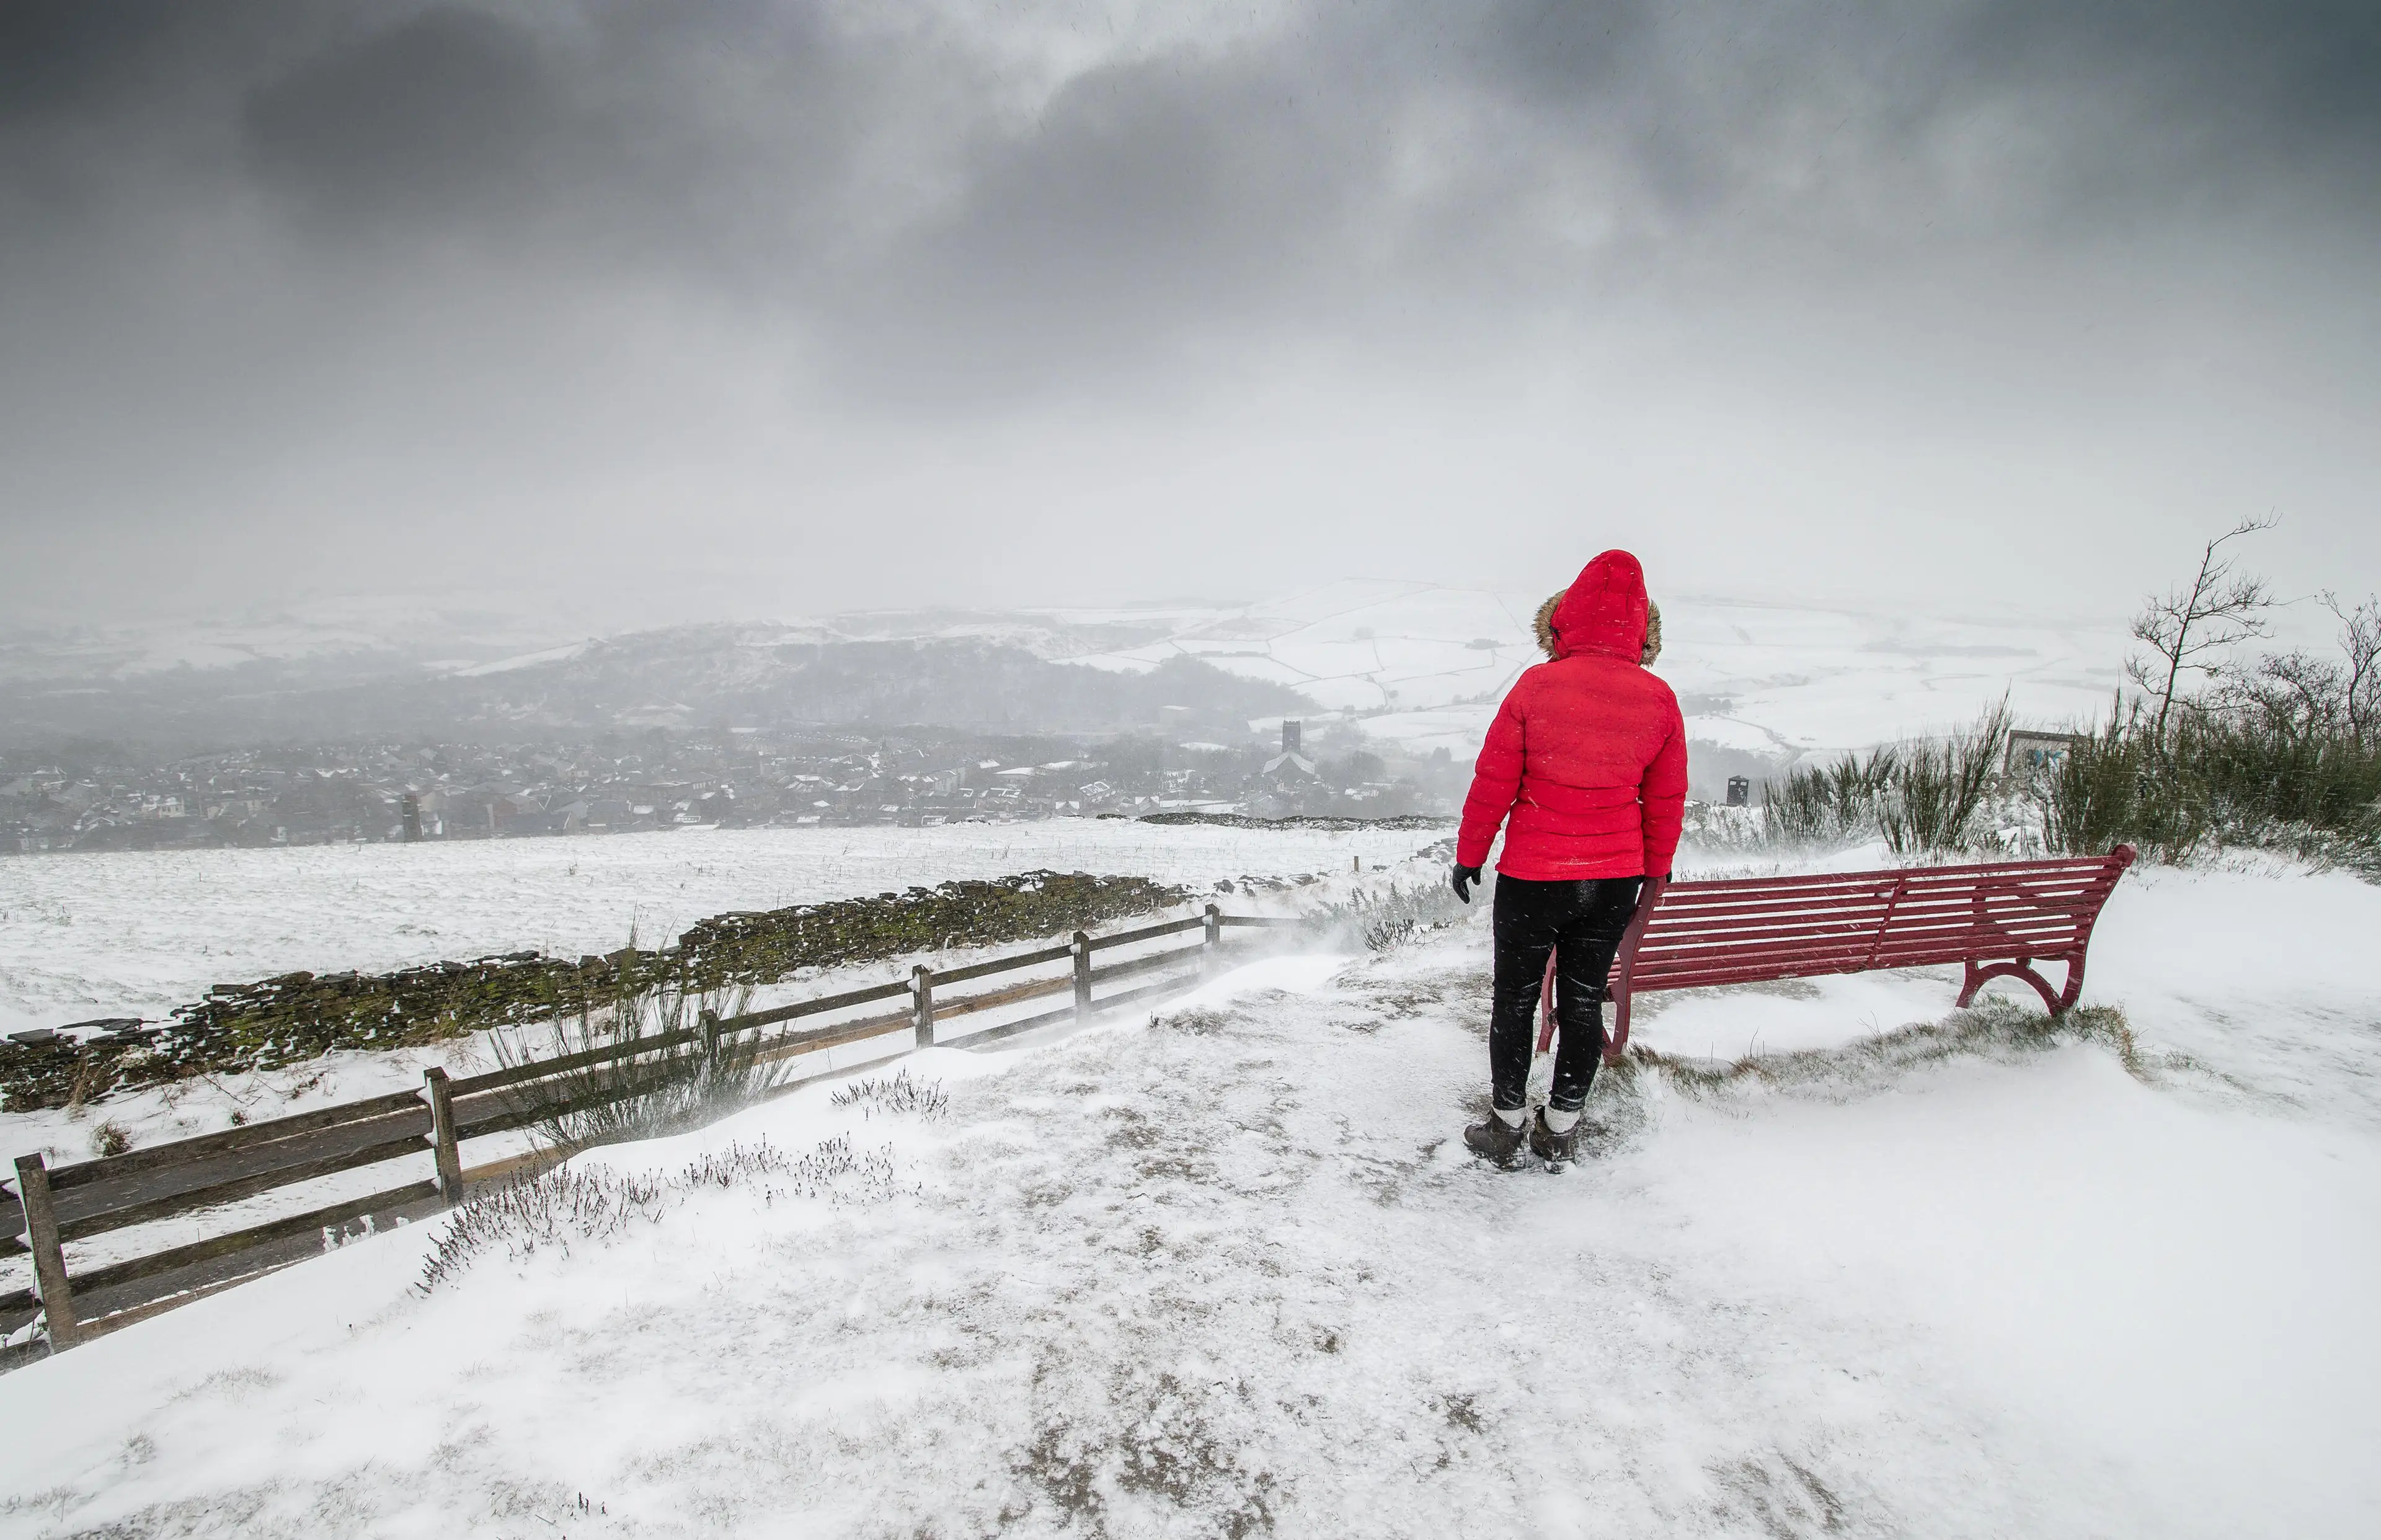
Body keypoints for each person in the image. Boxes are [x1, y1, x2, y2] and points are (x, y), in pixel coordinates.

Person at [1450, 549, 1687, 1166]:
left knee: (1515, 998)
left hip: (1533, 876)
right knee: (1582, 1001)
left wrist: (1471, 854)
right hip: (1612, 881)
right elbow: (1665, 799)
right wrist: (1655, 871)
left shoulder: (1536, 687)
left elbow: (1494, 781)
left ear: (1564, 620)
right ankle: (1560, 1128)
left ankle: (1506, 1124)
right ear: (1642, 631)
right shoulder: (1659, 700)